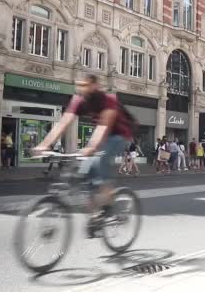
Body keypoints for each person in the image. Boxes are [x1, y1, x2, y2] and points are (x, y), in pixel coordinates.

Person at [32, 74, 135, 237]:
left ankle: (109, 208)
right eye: (79, 85)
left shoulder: (108, 100)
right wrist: (44, 144)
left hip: (119, 135)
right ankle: (95, 218)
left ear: (94, 85)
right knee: (85, 176)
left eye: (84, 85)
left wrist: (90, 148)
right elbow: (63, 123)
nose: (80, 88)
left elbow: (103, 127)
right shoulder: (78, 101)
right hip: (102, 135)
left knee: (97, 162)